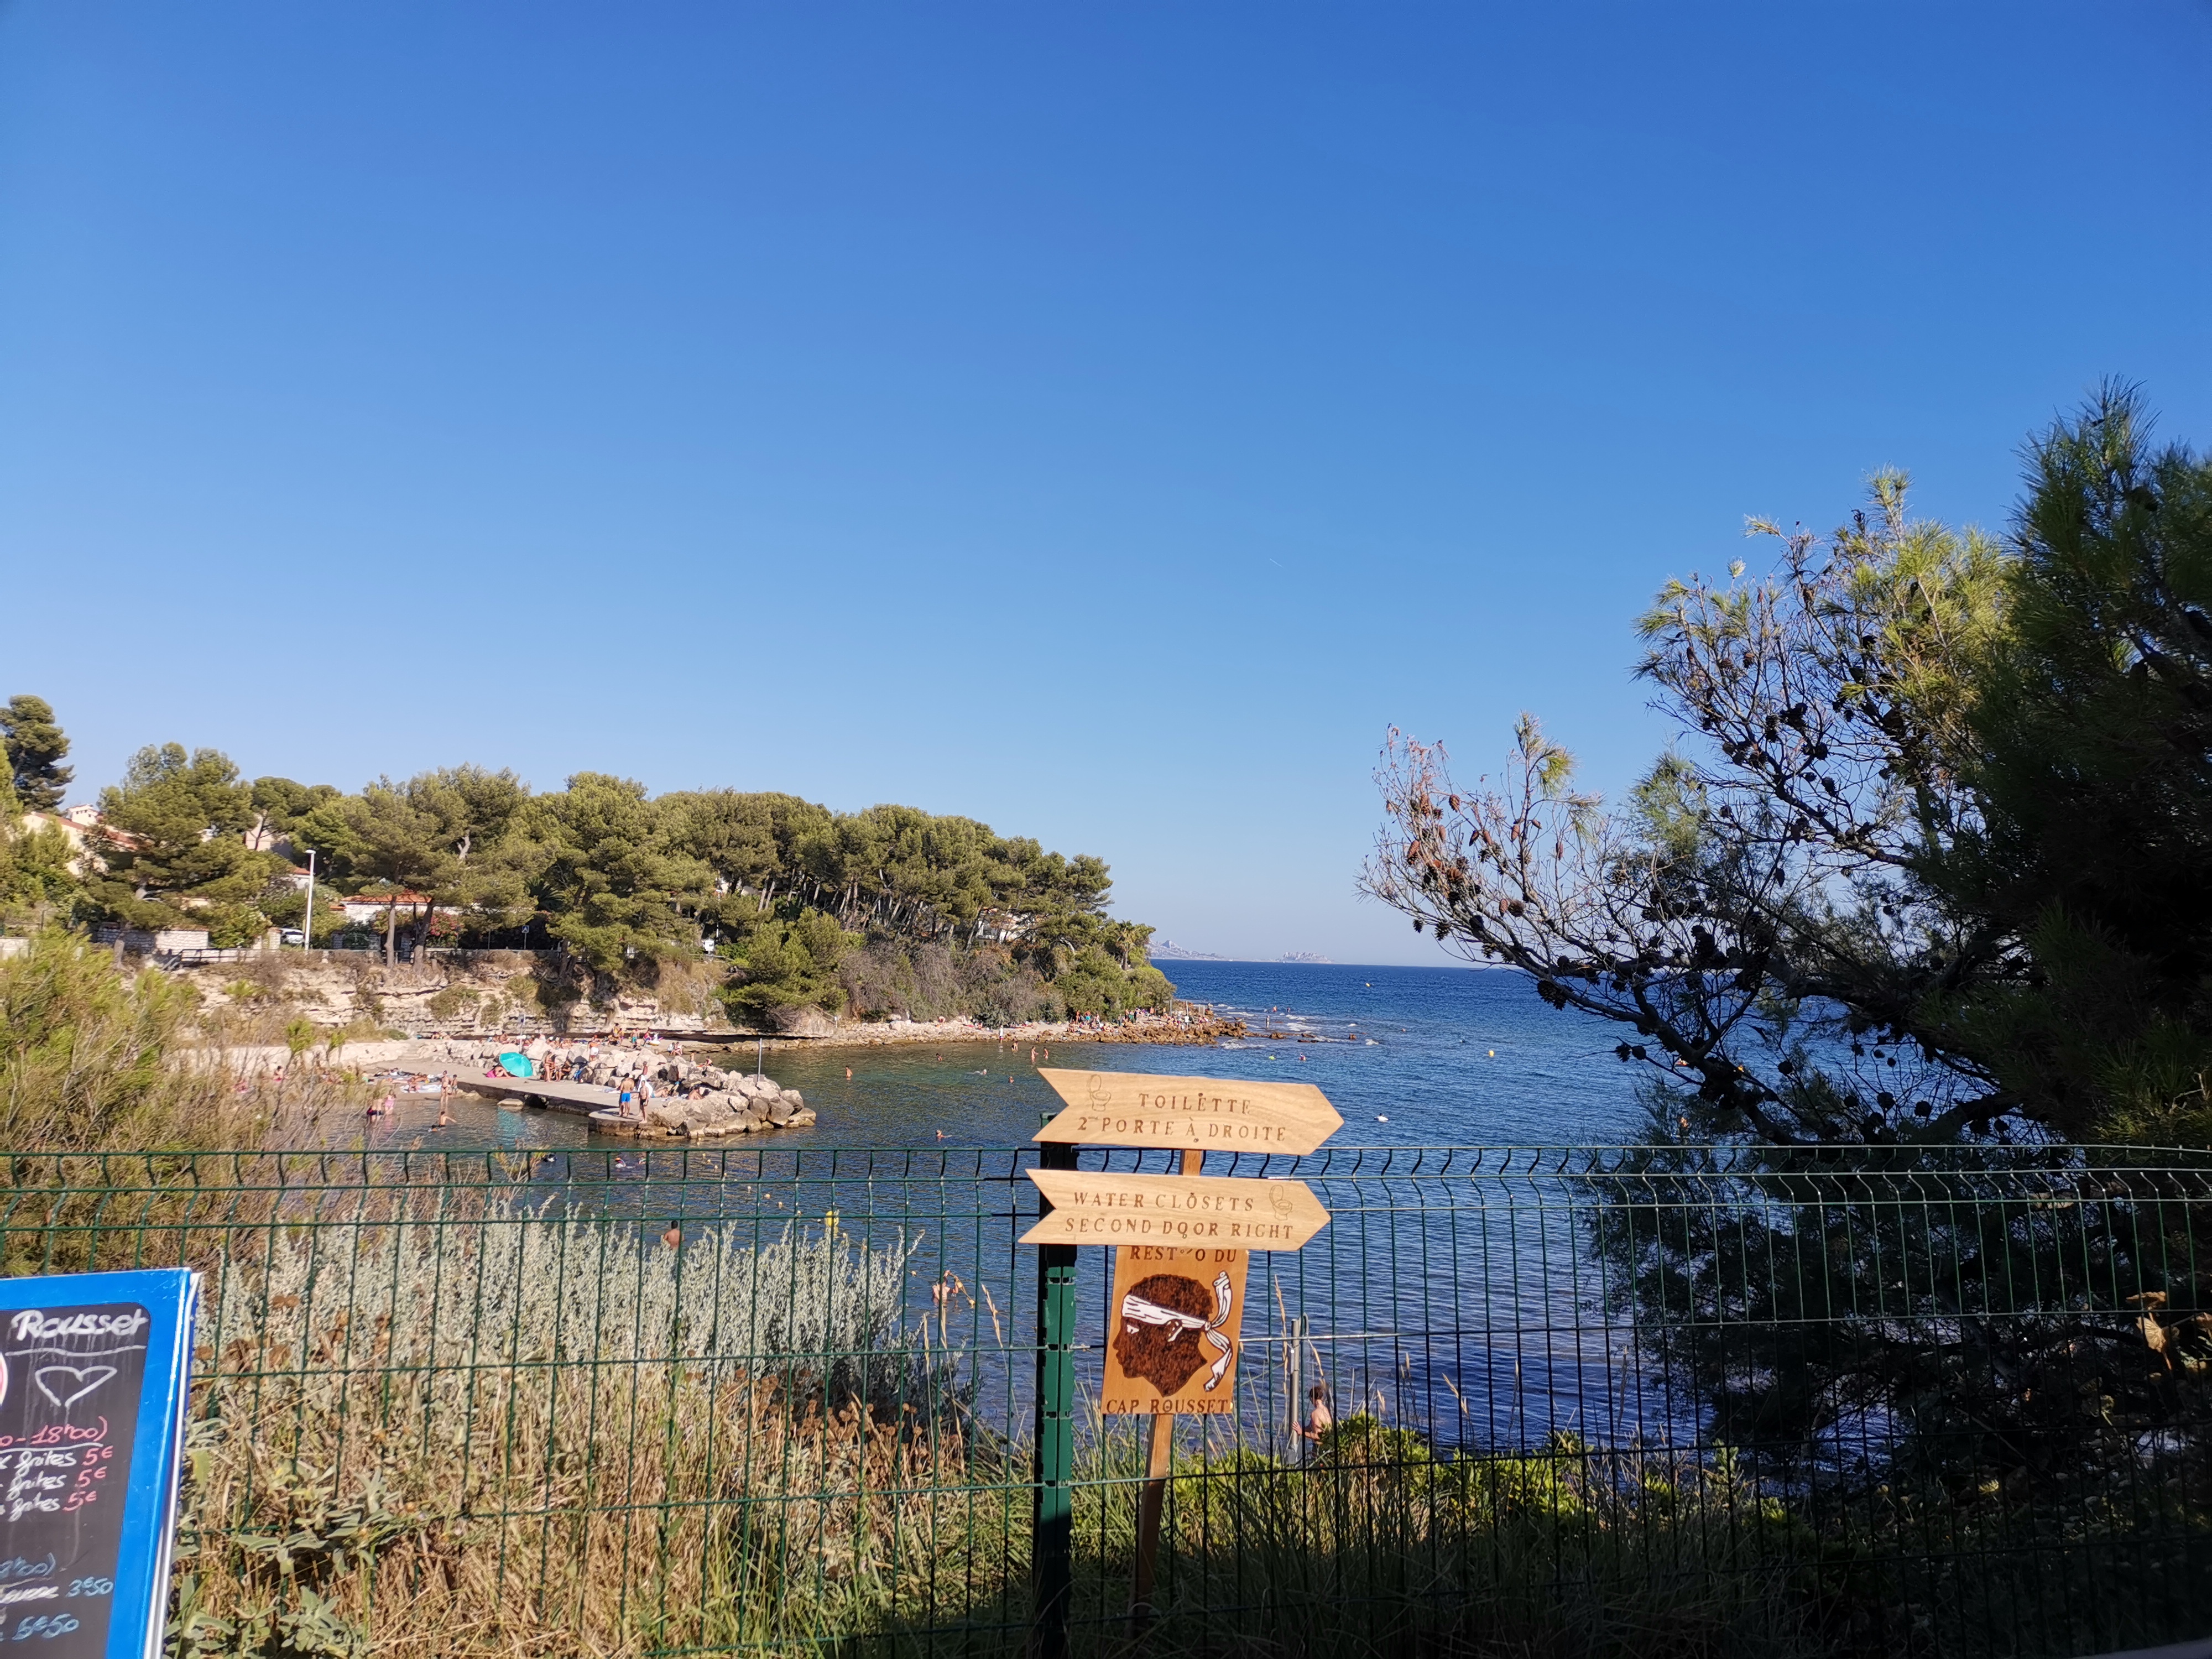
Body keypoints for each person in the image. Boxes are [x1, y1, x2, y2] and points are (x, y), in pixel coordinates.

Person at [1300, 1385, 1333, 1457]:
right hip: (1328, 1446)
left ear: (1312, 1399)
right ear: (1322, 1398)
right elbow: (1311, 1427)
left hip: (1320, 1449)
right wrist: (1301, 1430)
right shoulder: (1325, 1410)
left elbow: (1317, 1436)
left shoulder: (1315, 1413)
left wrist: (1301, 1433)